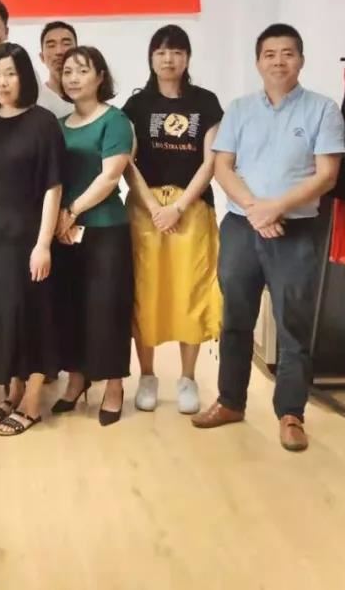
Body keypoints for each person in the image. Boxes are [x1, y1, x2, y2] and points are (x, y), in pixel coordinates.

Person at [192, 23, 345, 453]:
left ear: (301, 60)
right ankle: (230, 401)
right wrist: (256, 209)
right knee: (235, 319)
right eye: (270, 54)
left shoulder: (322, 109)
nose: (279, 61)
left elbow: (327, 175)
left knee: (293, 323)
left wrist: (275, 208)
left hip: (295, 230)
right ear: (258, 62)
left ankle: (291, 414)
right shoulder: (239, 109)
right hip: (242, 227)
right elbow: (222, 167)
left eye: (287, 53)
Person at [122, 25, 223, 415]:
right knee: (146, 292)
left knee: (191, 289)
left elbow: (211, 161)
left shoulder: (205, 102)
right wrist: (153, 206)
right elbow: (127, 161)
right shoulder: (136, 105)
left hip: (191, 208)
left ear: (187, 58)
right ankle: (147, 375)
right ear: (151, 58)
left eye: (177, 52)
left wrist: (178, 207)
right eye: (162, 52)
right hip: (146, 209)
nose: (169, 59)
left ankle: (187, 378)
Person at [0, 43, 64, 436]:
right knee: (2, 316)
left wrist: (43, 243)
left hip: (29, 237)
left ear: (25, 77)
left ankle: (32, 402)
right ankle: (12, 391)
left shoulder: (43, 123)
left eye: (10, 73)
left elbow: (53, 187)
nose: (2, 82)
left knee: (34, 316)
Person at [51, 46, 135, 427]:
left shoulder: (115, 121)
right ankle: (76, 379)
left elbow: (110, 176)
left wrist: (72, 211)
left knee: (107, 309)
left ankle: (114, 385)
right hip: (63, 232)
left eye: (82, 70)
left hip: (104, 229)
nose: (73, 78)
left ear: (100, 76)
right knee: (69, 307)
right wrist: (59, 219)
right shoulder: (59, 124)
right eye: (67, 71)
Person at [38, 21, 77, 118]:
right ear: (42, 57)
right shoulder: (36, 100)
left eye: (66, 44)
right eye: (51, 45)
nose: (59, 51)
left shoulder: (91, 98)